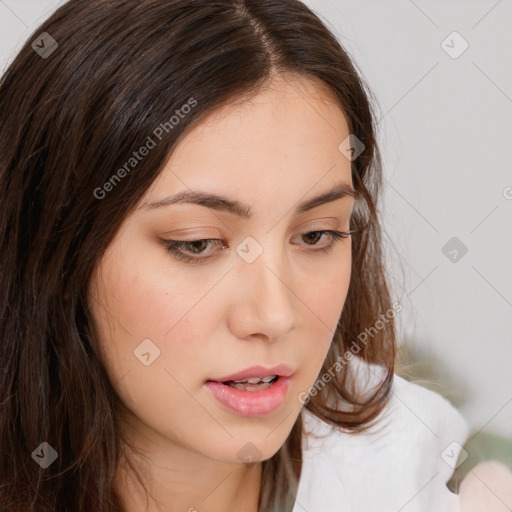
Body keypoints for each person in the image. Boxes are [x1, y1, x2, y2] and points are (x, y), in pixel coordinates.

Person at [4, 1, 507, 511]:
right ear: (56, 249)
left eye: (316, 235)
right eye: (197, 243)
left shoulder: (409, 476)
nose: (275, 315)